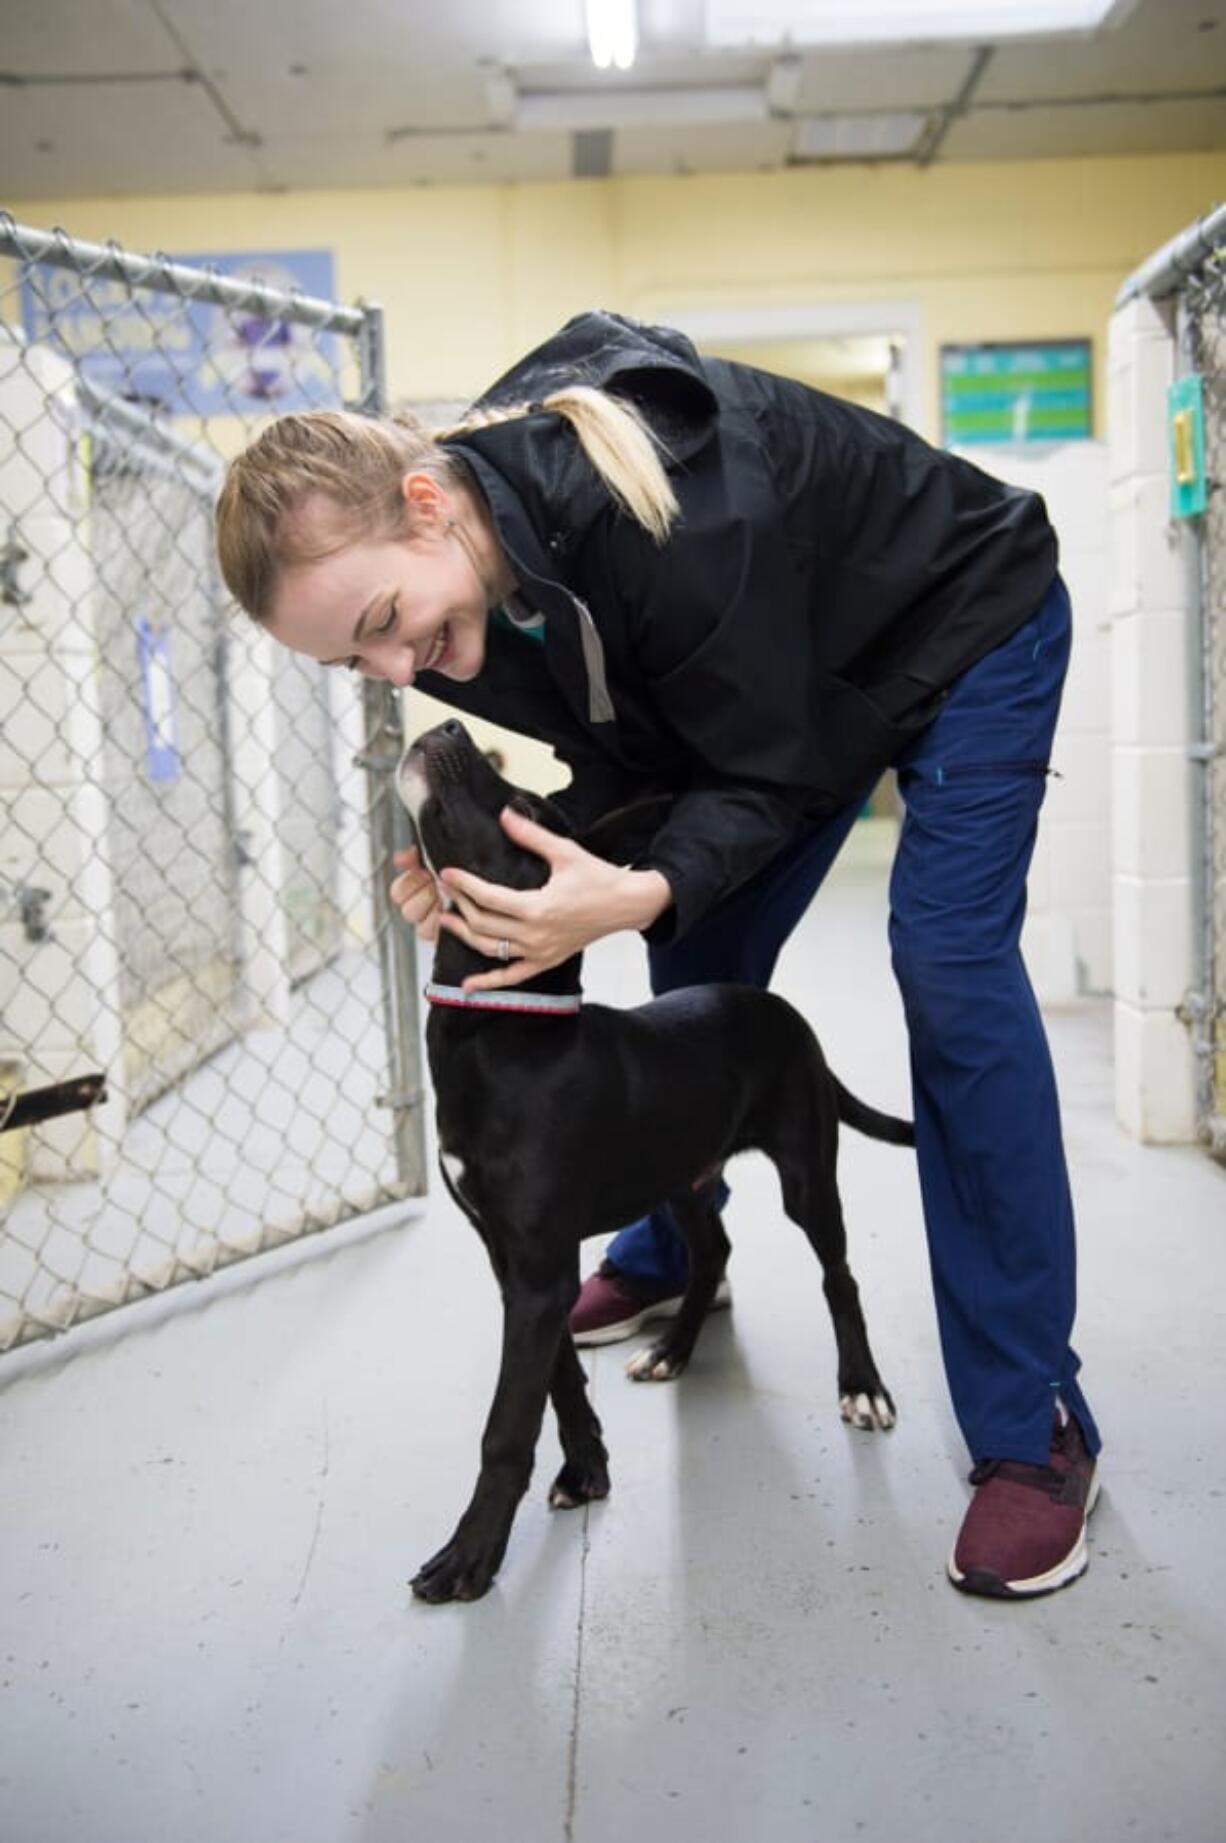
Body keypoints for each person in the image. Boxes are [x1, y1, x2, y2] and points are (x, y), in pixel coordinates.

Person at [215, 309, 1101, 1599]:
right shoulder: (458, 592)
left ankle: (1034, 1428)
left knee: (947, 967)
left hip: (961, 625)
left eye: (388, 622)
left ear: (424, 504)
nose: (397, 667)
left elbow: (760, 759)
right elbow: (642, 757)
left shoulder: (678, 509)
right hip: (783, 697)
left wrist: (628, 893)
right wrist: (508, 881)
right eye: (357, 658)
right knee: (702, 963)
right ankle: (671, 1248)